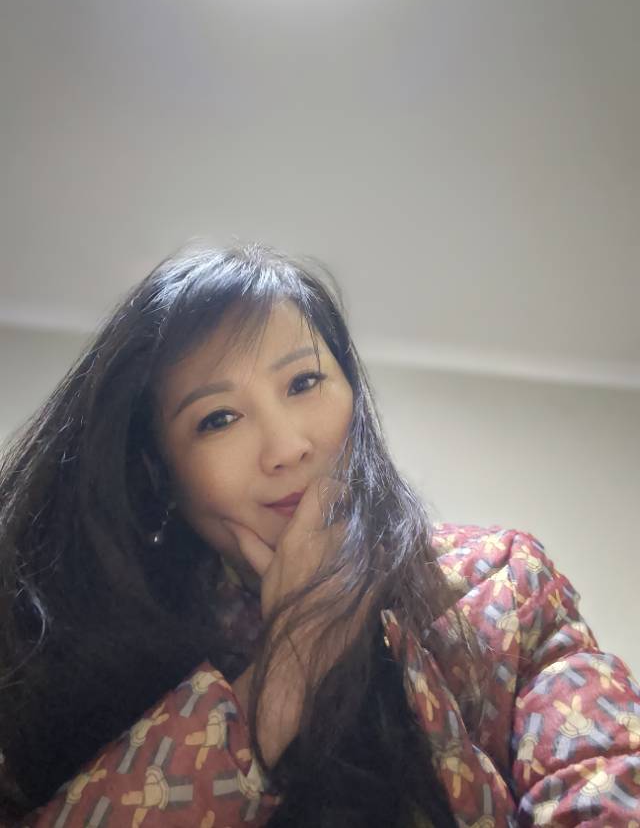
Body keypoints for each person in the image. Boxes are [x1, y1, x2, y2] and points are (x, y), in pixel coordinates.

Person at [0, 242, 638, 827]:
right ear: (159, 474)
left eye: (303, 383)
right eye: (218, 419)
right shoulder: (81, 657)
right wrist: (282, 676)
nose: (286, 447)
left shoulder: (503, 584)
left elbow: (607, 780)